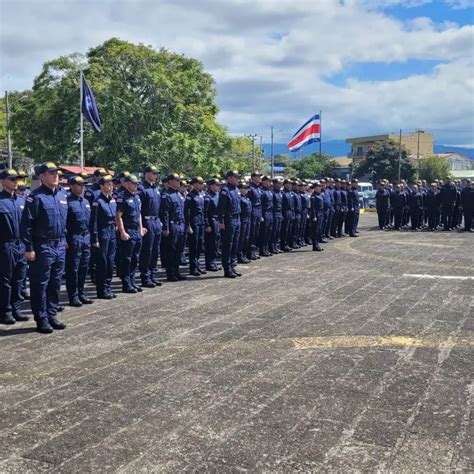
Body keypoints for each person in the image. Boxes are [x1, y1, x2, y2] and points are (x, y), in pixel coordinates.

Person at [20, 162, 67, 334]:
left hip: (59, 244)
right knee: (40, 283)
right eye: (51, 173)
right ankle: (41, 319)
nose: (56, 176)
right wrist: (29, 248)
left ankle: (52, 314)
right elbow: (26, 225)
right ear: (42, 177)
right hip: (42, 246)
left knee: (55, 283)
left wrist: (65, 239)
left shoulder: (62, 195)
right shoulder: (35, 197)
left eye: (57, 173)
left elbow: (64, 221)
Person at [0, 169, 29, 325]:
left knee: (19, 278)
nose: (15, 181)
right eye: (11, 179)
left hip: (21, 244)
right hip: (5, 245)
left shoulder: (21, 200)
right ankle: (5, 311)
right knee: (5, 280)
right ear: (2, 181)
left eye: (16, 179)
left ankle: (17, 309)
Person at [65, 176, 93, 307]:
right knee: (73, 269)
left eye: (83, 185)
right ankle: (73, 296)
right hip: (74, 237)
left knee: (83, 268)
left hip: (85, 237)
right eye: (79, 184)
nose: (82, 187)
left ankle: (81, 293)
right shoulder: (67, 202)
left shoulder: (86, 201)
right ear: (71, 186)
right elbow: (64, 223)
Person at [116, 174, 145, 293]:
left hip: (136, 230)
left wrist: (141, 228)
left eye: (137, 183)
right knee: (126, 258)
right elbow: (118, 216)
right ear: (126, 183)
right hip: (128, 230)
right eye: (133, 183)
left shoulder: (137, 197)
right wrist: (122, 231)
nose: (136, 185)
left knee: (135, 258)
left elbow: (139, 214)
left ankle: (132, 281)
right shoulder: (122, 197)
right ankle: (126, 283)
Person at [90, 175, 117, 299]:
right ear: (101, 186)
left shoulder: (112, 199)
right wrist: (95, 238)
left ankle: (108, 286)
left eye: (111, 184)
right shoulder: (97, 201)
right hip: (102, 232)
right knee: (102, 262)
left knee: (110, 261)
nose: (110, 187)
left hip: (111, 231)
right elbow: (94, 221)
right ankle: (101, 289)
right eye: (108, 184)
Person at [138, 165, 162, 288]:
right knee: (147, 250)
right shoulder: (141, 188)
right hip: (147, 221)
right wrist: (141, 226)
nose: (155, 175)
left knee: (155, 250)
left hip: (156, 221)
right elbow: (139, 210)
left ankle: (152, 275)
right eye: (153, 173)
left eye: (156, 173)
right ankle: (145, 277)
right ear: (146, 174)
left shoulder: (156, 188)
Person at [160, 173, 187, 282]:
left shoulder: (179, 194)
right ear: (170, 181)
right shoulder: (166, 195)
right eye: (176, 180)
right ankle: (170, 273)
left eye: (179, 180)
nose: (178, 182)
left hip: (181, 224)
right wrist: (166, 228)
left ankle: (176, 271)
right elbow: (165, 213)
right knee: (171, 250)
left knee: (179, 250)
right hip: (172, 225)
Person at [217, 171, 242, 278]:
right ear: (230, 178)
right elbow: (220, 208)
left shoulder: (236, 189)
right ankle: (227, 269)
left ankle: (232, 265)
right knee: (228, 245)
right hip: (229, 220)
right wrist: (221, 222)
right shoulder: (225, 190)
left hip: (237, 219)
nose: (238, 180)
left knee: (235, 244)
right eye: (236, 178)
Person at [185, 176, 206, 276]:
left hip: (201, 221)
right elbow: (186, 212)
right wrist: (188, 225)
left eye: (202, 183)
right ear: (194, 184)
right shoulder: (190, 196)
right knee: (194, 245)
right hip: (194, 221)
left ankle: (198, 265)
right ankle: (193, 268)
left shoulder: (201, 194)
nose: (202, 185)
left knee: (199, 245)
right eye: (200, 183)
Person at [203, 178, 221, 271]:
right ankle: (209, 263)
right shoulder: (207, 197)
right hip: (211, 221)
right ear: (211, 186)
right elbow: (205, 212)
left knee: (216, 243)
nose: (219, 186)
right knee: (210, 243)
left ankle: (213, 261)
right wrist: (207, 225)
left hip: (217, 220)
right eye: (217, 185)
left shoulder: (217, 195)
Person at [247, 172, 262, 260]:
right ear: (253, 178)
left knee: (256, 233)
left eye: (260, 177)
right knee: (251, 233)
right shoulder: (250, 188)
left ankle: (253, 251)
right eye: (258, 177)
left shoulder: (258, 188)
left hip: (258, 211)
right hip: (252, 212)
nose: (259, 178)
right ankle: (249, 252)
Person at [258, 176, 274, 256]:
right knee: (264, 232)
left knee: (269, 231)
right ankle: (262, 249)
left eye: (270, 181)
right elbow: (260, 205)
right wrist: (261, 215)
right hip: (265, 213)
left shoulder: (269, 191)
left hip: (270, 213)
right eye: (268, 181)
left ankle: (266, 248)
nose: (270, 183)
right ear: (263, 182)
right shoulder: (262, 191)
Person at [237, 180, 252, 263]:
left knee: (246, 238)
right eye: (245, 188)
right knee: (241, 238)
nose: (246, 190)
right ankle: (239, 256)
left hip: (248, 219)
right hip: (242, 219)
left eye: (247, 188)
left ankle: (244, 254)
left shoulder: (246, 197)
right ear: (240, 189)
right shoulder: (239, 198)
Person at [280, 179, 295, 251]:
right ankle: (283, 245)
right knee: (285, 229)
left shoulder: (290, 193)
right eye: (288, 183)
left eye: (290, 184)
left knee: (289, 229)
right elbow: (281, 205)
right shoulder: (283, 193)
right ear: (285, 184)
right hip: (285, 212)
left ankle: (287, 244)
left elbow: (292, 205)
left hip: (290, 212)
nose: (290, 185)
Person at [310, 182, 324, 251]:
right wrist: (314, 216)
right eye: (318, 187)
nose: (319, 188)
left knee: (319, 230)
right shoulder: (313, 196)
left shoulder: (320, 195)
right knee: (315, 230)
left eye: (320, 187)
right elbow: (312, 208)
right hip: (316, 214)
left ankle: (317, 244)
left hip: (320, 213)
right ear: (315, 188)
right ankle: (315, 245)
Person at [270, 178, 283, 253]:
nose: (280, 185)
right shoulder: (273, 193)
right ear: (274, 184)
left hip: (279, 213)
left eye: (280, 183)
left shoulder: (280, 193)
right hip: (274, 213)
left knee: (278, 231)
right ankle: (272, 247)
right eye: (278, 183)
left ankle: (276, 246)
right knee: (273, 231)